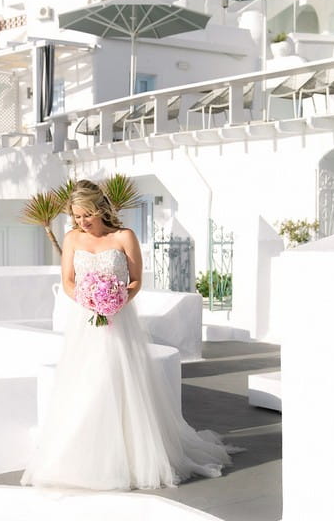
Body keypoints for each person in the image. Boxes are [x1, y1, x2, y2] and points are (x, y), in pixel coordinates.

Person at [21, 179, 238, 491]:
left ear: (100, 209)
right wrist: (88, 300)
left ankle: (127, 459)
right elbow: (68, 281)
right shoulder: (71, 239)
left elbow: (135, 281)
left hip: (118, 321)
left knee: (116, 382)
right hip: (84, 323)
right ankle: (81, 458)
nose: (82, 222)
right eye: (77, 216)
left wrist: (115, 300)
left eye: (87, 215)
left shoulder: (124, 237)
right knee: (86, 385)